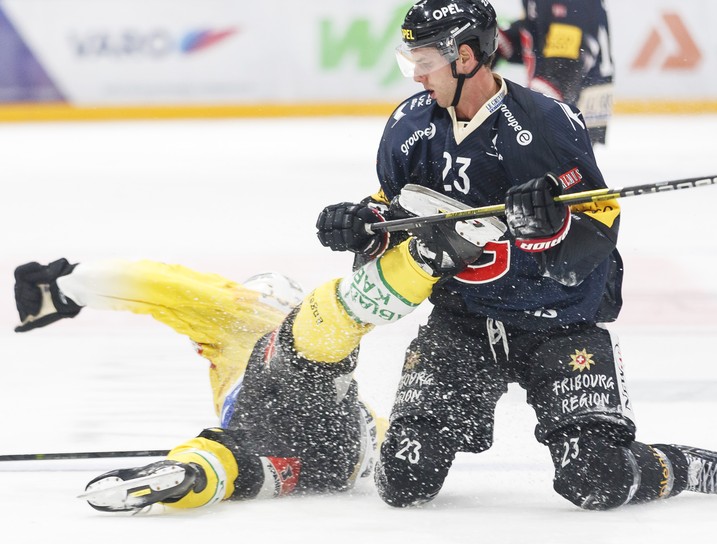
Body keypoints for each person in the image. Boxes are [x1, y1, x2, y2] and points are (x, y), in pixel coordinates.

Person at [315, 0, 717, 511]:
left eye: (425, 61)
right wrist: (363, 228)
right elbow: (397, 214)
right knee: (403, 481)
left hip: (559, 322)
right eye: (410, 60)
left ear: (464, 58)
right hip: (464, 321)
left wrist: (549, 228)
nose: (416, 75)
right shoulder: (408, 126)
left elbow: (598, 229)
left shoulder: (547, 124)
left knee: (598, 479)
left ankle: (678, 466)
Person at [13, 186, 505, 513]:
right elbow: (369, 425)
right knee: (260, 445)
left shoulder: (239, 316)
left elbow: (163, 286)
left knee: (236, 456)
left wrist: (66, 286)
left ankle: (195, 471)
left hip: (271, 418)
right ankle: (201, 468)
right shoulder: (276, 326)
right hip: (339, 457)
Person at [494, 0, 615, 144]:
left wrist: (519, 113)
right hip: (575, 103)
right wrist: (487, 41)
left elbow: (565, 66)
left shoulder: (568, 4)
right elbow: (538, 36)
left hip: (571, 107)